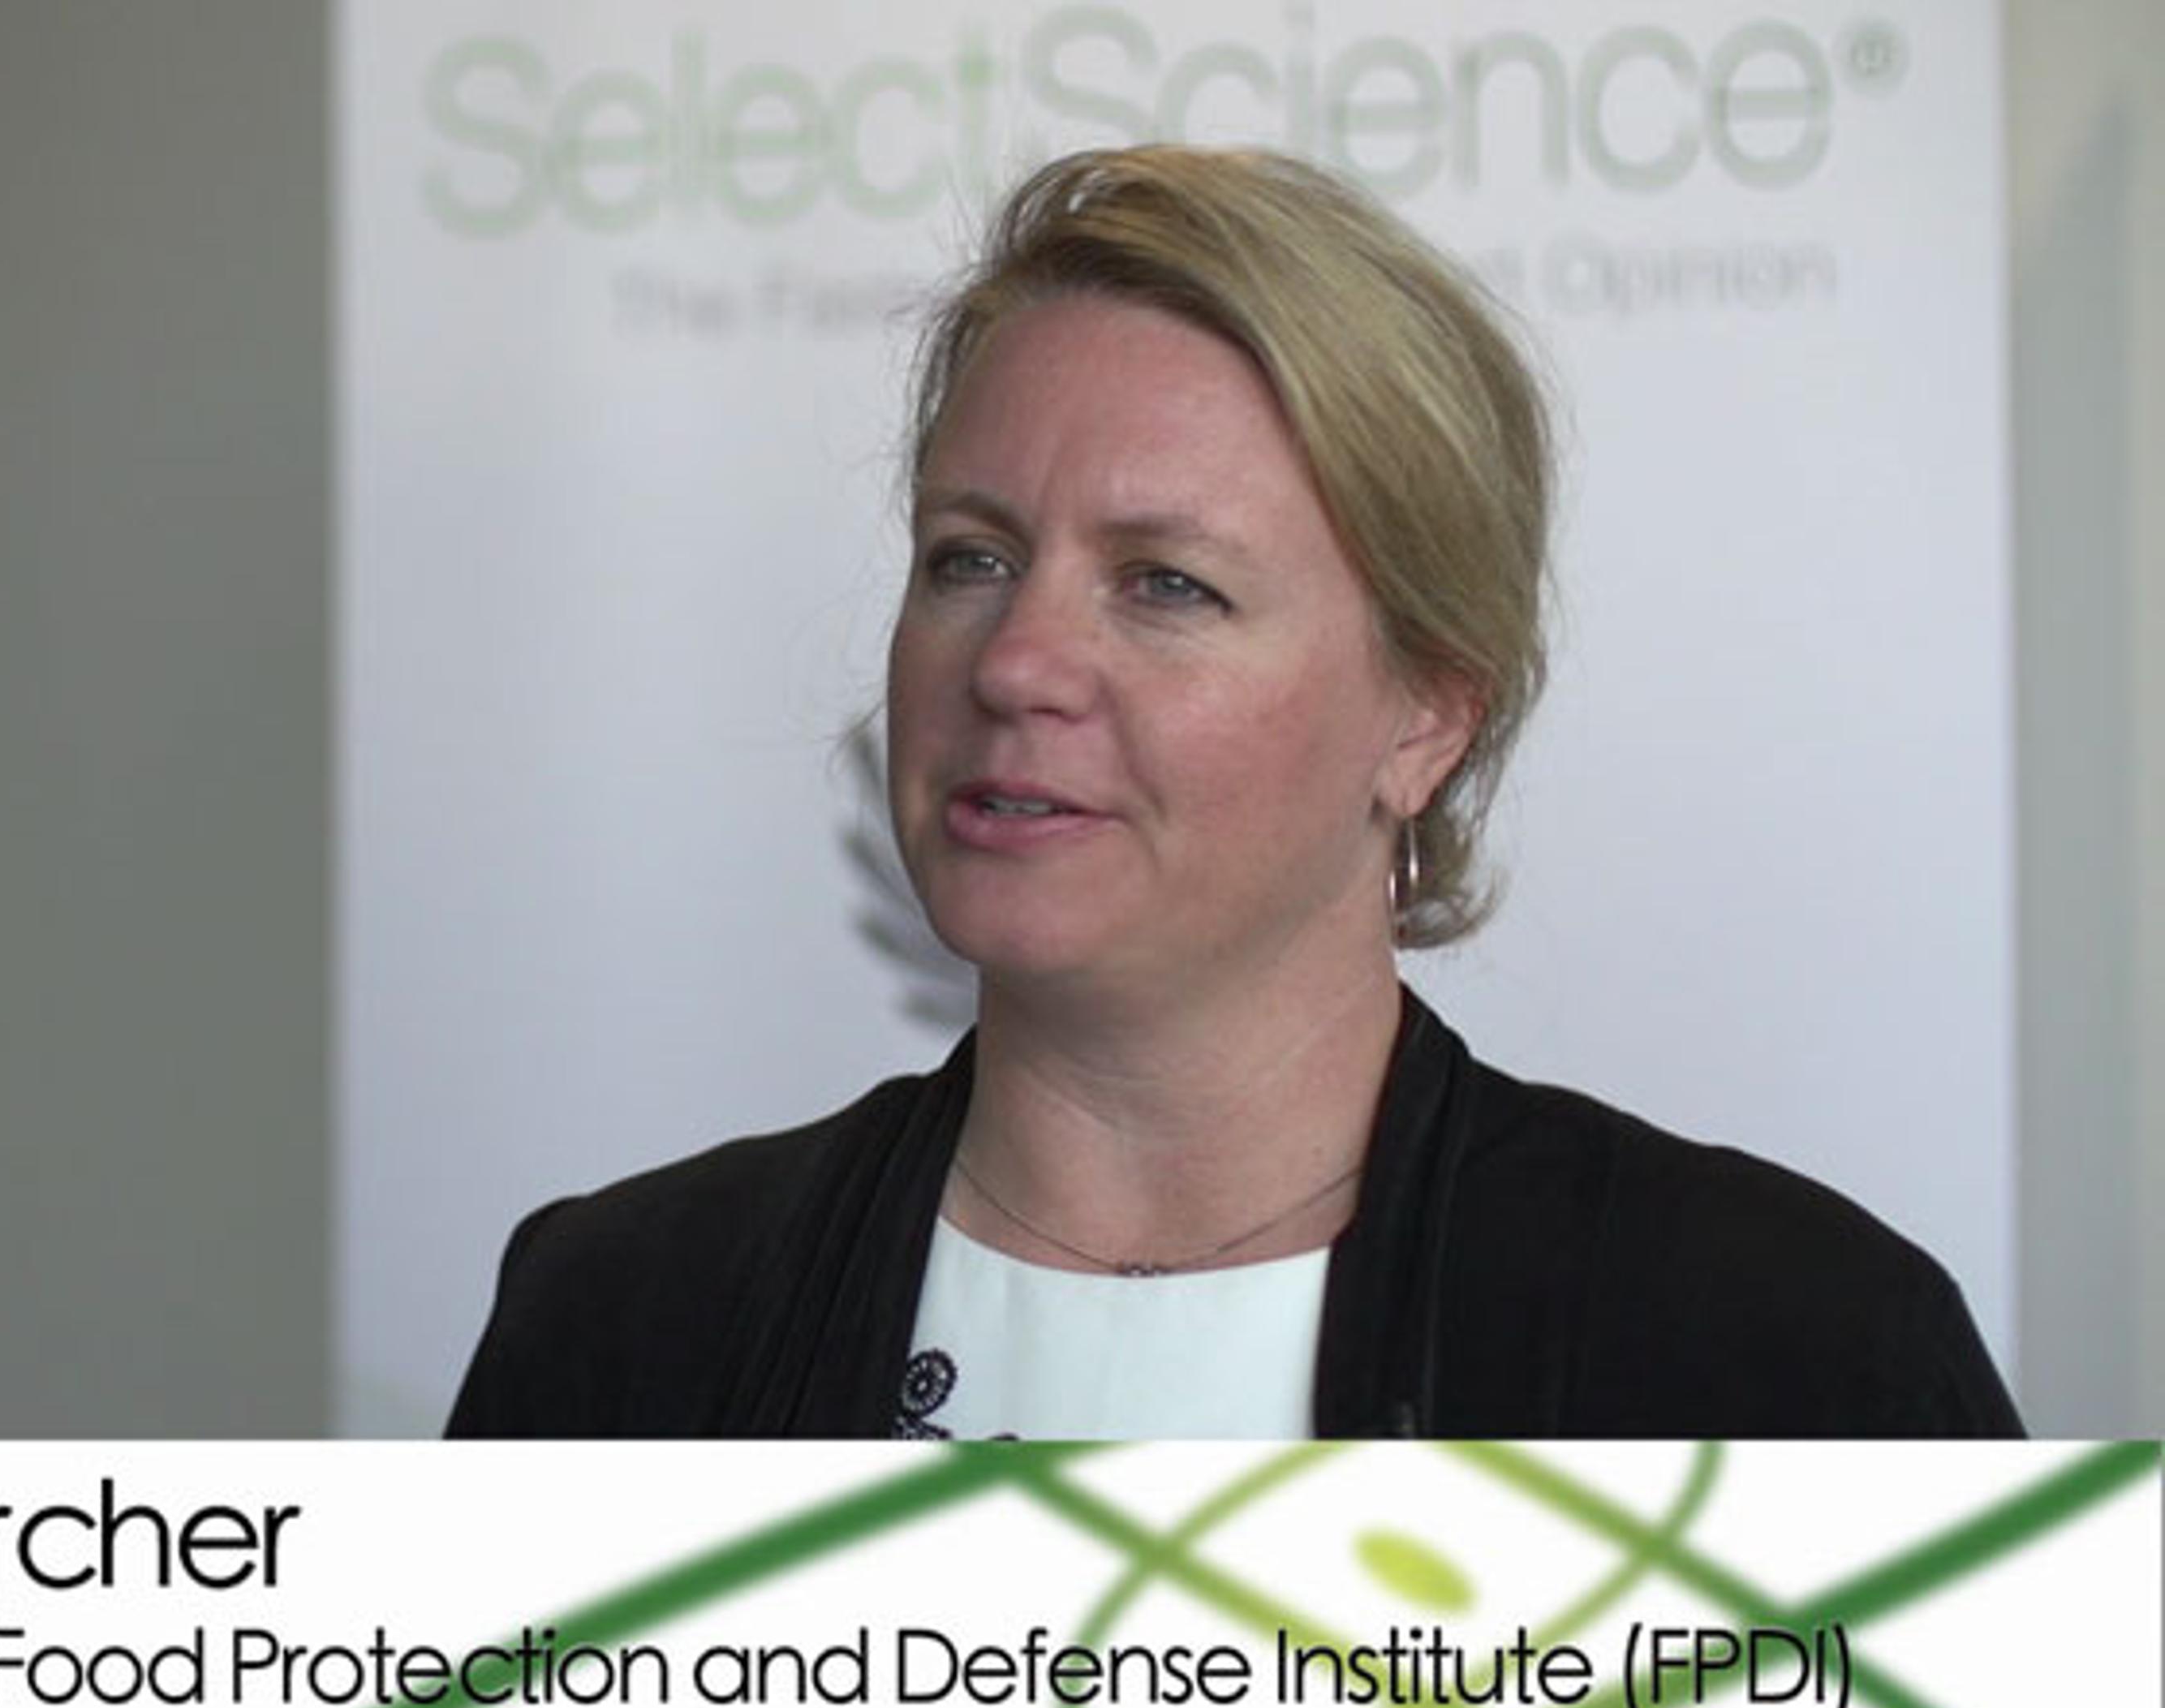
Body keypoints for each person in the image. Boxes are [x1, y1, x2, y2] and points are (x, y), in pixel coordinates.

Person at [445, 145, 2020, 1439]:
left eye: (1167, 584)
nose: (1018, 663)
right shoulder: (623, 1318)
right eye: (970, 559)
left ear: (1427, 713)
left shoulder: (1786, 1351)